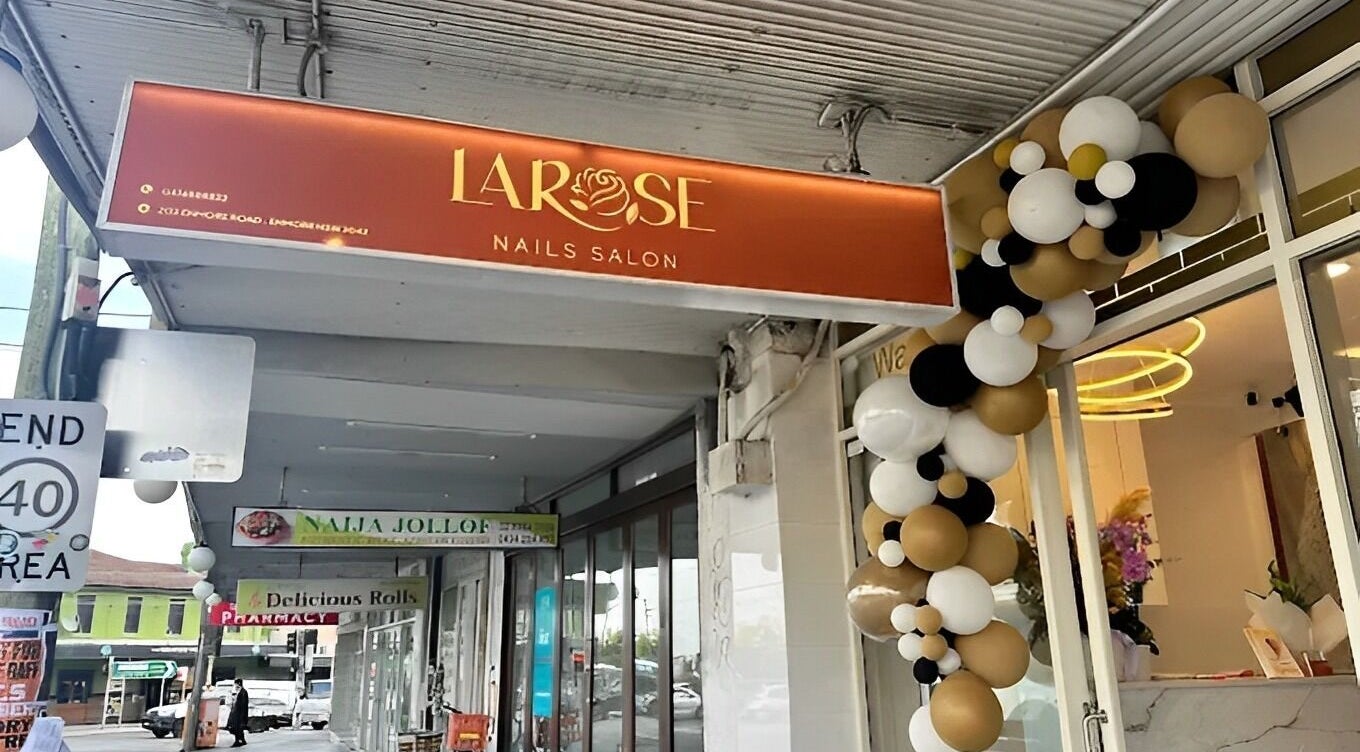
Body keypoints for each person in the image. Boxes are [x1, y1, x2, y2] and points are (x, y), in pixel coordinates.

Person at [226, 679, 250, 747]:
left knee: (237, 728)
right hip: (238, 713)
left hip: (239, 713)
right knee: (239, 728)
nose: (235, 685)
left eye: (236, 684)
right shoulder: (240, 692)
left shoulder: (243, 692)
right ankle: (242, 740)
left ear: (239, 684)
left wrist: (242, 714)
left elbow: (243, 704)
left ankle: (237, 741)